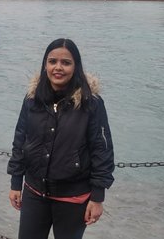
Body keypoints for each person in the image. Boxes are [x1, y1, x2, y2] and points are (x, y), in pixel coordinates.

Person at [7, 38, 114, 239]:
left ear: (76, 67)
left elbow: (102, 150)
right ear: (45, 64)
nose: (58, 67)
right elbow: (20, 141)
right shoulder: (32, 100)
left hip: (73, 197)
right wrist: (15, 182)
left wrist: (98, 197)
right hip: (34, 191)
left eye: (66, 62)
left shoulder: (91, 104)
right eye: (52, 61)